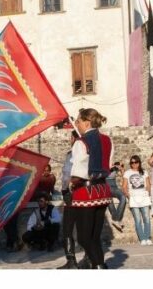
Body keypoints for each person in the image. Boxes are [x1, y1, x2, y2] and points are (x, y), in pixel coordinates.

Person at [66, 108, 114, 269]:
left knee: (84, 238)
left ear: (87, 122)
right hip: (103, 190)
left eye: (78, 122)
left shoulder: (81, 142)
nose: (77, 125)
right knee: (94, 237)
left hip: (86, 192)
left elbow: (79, 172)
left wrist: (71, 182)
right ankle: (98, 266)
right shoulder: (107, 140)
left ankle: (99, 266)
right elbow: (109, 165)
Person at [57, 134, 80, 269]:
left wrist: (65, 190)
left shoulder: (72, 154)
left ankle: (71, 260)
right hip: (87, 193)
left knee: (68, 228)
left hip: (73, 193)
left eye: (71, 138)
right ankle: (90, 258)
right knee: (85, 229)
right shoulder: (89, 151)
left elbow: (66, 174)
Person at [122, 155, 152, 245]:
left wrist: (148, 194)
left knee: (146, 218)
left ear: (139, 163)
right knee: (138, 219)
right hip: (133, 198)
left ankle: (147, 237)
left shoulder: (144, 172)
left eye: (136, 162)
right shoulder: (127, 173)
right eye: (132, 163)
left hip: (144, 197)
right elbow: (124, 186)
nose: (134, 164)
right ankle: (142, 238)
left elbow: (148, 185)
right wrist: (128, 196)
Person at [106, 161, 127, 232]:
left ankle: (116, 219)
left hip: (114, 187)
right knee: (109, 200)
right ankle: (118, 219)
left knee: (123, 197)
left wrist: (121, 168)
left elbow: (124, 176)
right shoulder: (101, 164)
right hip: (105, 186)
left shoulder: (114, 166)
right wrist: (110, 167)